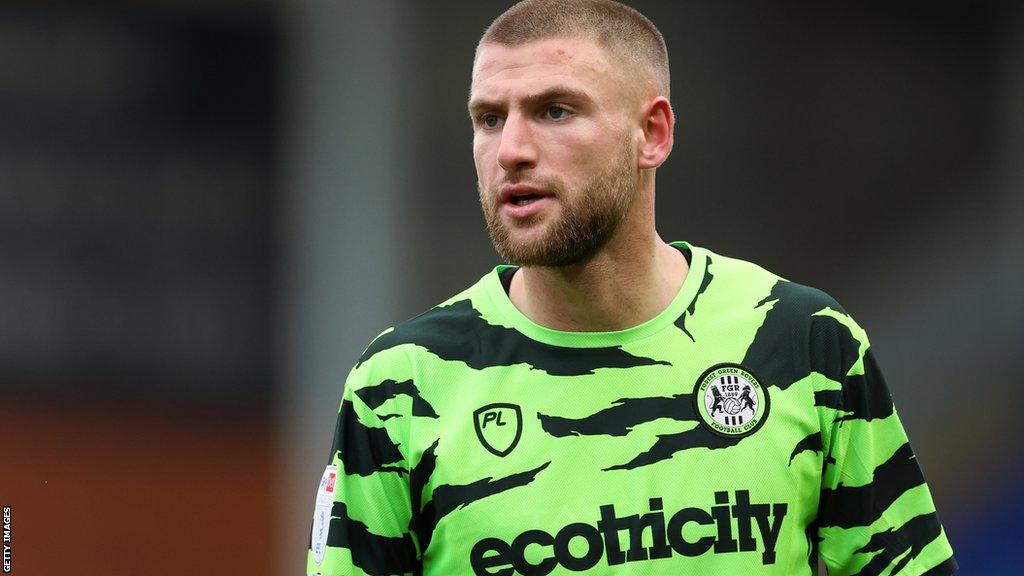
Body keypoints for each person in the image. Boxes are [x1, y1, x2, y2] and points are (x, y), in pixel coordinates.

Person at [306, 1, 957, 574]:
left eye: (554, 111)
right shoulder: (400, 384)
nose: (511, 150)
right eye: (488, 118)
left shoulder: (805, 344)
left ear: (653, 134)